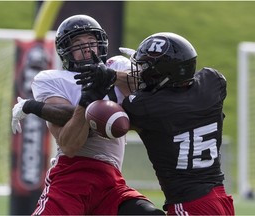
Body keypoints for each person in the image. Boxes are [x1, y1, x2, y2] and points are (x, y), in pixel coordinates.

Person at [11, 14, 165, 215]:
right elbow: (69, 145)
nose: (86, 47)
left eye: (91, 41)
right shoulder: (52, 79)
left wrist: (112, 77)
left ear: (101, 44)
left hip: (111, 181)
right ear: (65, 50)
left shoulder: (116, 65)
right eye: (78, 42)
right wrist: (87, 101)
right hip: (71, 178)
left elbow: (149, 89)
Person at [76, 32, 235, 215]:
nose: (141, 73)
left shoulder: (145, 107)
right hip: (220, 198)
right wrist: (113, 76)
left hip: (190, 204)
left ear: (162, 74)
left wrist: (108, 80)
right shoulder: (212, 82)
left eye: (145, 68)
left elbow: (110, 116)